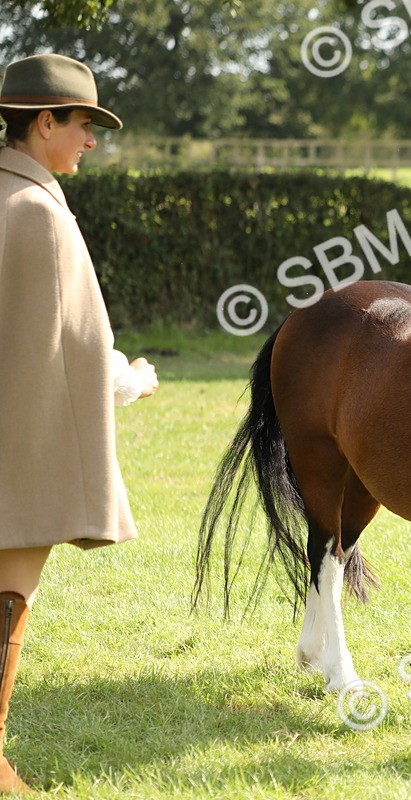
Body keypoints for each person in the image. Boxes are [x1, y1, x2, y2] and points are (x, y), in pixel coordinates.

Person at [0, 53, 159, 794]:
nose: (91, 141)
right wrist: (125, 383)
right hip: (16, 449)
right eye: (84, 124)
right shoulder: (37, 215)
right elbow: (66, 354)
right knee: (9, 598)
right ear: (44, 122)